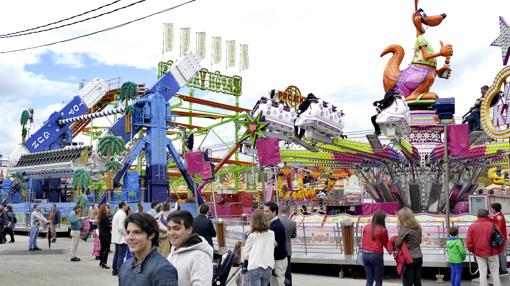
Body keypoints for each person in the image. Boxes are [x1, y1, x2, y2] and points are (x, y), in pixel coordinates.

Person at [119, 213, 178, 286]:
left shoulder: (163, 270)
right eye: (128, 232)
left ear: (151, 235)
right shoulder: (125, 266)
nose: (130, 237)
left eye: (137, 232)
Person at [167, 210, 213, 286]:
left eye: (176, 228)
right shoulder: (173, 252)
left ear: (189, 230)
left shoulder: (199, 257)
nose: (171, 233)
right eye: (169, 229)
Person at [467, 209, 502, 286]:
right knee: (495, 274)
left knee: (482, 273)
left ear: (477, 216)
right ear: (487, 215)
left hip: (479, 253)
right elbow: (500, 239)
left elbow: (469, 243)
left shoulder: (472, 227)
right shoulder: (493, 225)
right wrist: (498, 251)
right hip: (493, 252)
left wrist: (474, 251)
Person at [242, 210, 276, 286]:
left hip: (254, 267)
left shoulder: (252, 236)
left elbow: (246, 254)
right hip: (268, 267)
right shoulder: (272, 233)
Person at [395, 207, 423, 286]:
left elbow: (397, 243)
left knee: (407, 282)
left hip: (409, 258)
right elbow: (419, 241)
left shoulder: (404, 229)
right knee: (417, 281)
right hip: (419, 256)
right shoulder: (418, 227)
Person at [263, 202, 288, 286]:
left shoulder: (276, 226)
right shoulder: (272, 224)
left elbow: (271, 246)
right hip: (275, 260)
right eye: (264, 211)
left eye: (267, 211)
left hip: (278, 261)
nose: (264, 213)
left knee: (277, 283)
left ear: (274, 212)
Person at [361, 211, 389, 286]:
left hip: (365, 254)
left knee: (369, 280)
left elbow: (364, 239)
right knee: (378, 280)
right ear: (382, 220)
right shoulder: (383, 230)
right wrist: (391, 251)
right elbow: (386, 243)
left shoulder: (366, 227)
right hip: (376, 255)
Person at [279, 205, 297, 286]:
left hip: (278, 250)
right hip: (288, 250)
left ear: (280, 212)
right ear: (289, 212)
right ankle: (288, 284)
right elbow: (293, 236)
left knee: (278, 270)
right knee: (287, 270)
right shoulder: (292, 223)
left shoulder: (276, 222)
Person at [112, 201, 129, 275]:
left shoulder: (117, 213)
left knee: (117, 254)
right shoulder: (122, 214)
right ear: (123, 206)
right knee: (121, 255)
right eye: (126, 205)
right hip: (121, 238)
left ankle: (115, 270)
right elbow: (121, 227)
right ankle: (119, 271)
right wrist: (127, 235)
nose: (127, 206)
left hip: (116, 237)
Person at [491, 202, 508, 274]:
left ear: (494, 209)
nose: (491, 209)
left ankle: (503, 269)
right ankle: (502, 268)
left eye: (492, 208)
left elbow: (499, 228)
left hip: (500, 238)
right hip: (501, 237)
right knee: (501, 253)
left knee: (501, 253)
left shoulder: (499, 217)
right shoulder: (498, 215)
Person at [97, 204, 112, 269]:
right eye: (106, 208)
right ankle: (104, 262)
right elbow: (107, 226)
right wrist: (111, 226)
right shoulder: (105, 217)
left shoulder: (100, 216)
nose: (107, 209)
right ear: (104, 209)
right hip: (106, 234)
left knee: (102, 249)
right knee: (106, 249)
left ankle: (101, 261)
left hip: (101, 234)